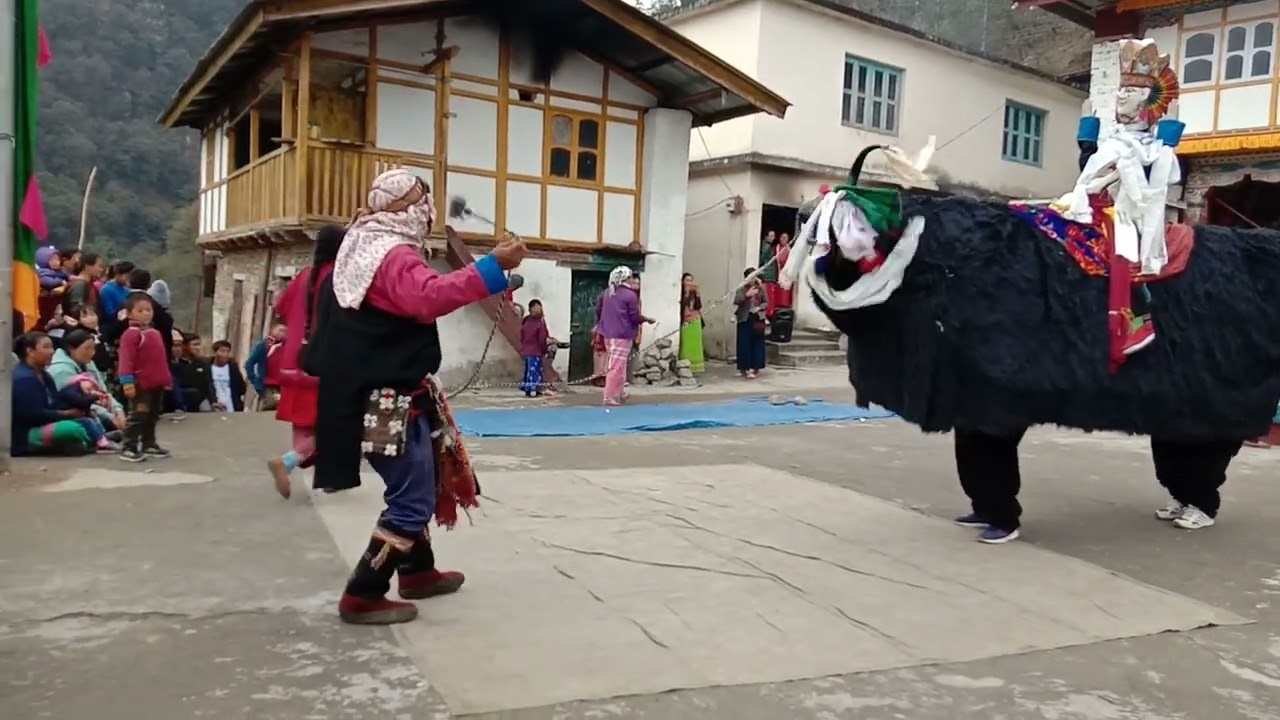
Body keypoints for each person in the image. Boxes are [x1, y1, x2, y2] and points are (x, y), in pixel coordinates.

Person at [307, 168, 523, 625]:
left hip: (378, 390)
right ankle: (364, 591)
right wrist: (493, 266)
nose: (428, 212)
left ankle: (418, 571)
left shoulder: (360, 245)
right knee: (412, 495)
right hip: (391, 398)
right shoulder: (393, 256)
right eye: (423, 202)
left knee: (421, 479)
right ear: (409, 208)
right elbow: (428, 296)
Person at [267, 223, 343, 499]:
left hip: (294, 361)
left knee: (303, 423)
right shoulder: (339, 278)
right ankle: (289, 461)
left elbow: (280, 309)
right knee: (339, 425)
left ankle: (296, 465)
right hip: (326, 363)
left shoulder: (304, 276)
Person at [10, 331, 112, 456]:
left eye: (52, 347)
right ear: (29, 351)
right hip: (25, 433)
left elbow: (55, 401)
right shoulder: (24, 378)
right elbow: (31, 415)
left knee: (85, 419)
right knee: (72, 429)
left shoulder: (44, 375)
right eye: (46, 347)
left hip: (46, 422)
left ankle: (95, 438)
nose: (51, 351)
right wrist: (66, 414)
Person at [117, 293, 172, 462]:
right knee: (138, 415)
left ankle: (149, 443)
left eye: (148, 310)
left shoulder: (154, 333)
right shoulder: (131, 334)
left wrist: (167, 380)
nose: (146, 313)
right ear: (130, 313)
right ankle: (129, 446)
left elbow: (161, 360)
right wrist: (127, 381)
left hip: (156, 382)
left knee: (153, 415)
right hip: (140, 384)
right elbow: (126, 360)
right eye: (140, 310)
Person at [48, 328, 127, 435]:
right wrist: (110, 417)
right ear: (71, 349)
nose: (92, 353)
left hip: (96, 409)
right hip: (70, 411)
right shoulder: (60, 370)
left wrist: (118, 411)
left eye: (93, 348)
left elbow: (103, 391)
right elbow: (74, 401)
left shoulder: (88, 363)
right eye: (87, 349)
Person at [595, 266, 652, 406]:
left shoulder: (607, 293)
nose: (633, 280)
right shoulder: (630, 295)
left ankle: (620, 392)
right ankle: (608, 396)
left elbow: (598, 310)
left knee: (619, 365)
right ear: (625, 278)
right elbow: (634, 316)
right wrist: (647, 319)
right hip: (621, 335)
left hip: (608, 333)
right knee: (616, 366)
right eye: (631, 277)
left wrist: (601, 323)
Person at [518, 299, 558, 398]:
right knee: (535, 371)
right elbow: (542, 338)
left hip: (527, 350)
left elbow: (522, 336)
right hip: (535, 351)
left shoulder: (526, 321)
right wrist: (544, 349)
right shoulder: (539, 323)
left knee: (530, 371)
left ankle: (529, 390)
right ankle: (535, 390)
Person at [734, 268, 768, 379]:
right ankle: (743, 368)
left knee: (757, 343)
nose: (753, 279)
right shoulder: (741, 288)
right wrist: (747, 295)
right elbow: (736, 301)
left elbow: (766, 302)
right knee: (743, 343)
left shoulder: (761, 287)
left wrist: (759, 308)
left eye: (754, 276)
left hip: (757, 318)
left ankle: (755, 368)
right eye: (750, 277)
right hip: (744, 318)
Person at [245, 324, 286, 410]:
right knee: (271, 403)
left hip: (284, 384)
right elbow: (249, 363)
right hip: (267, 383)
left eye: (284, 331)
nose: (282, 333)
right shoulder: (264, 345)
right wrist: (254, 380)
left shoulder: (287, 346)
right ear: (272, 331)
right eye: (280, 330)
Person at [173, 334, 213, 411]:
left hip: (201, 401)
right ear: (185, 346)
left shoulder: (202, 363)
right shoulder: (176, 364)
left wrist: (213, 401)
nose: (198, 348)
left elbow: (209, 383)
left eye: (199, 344)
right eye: (194, 345)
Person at [209, 340, 247, 413]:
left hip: (231, 405)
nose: (225, 354)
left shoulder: (233, 368)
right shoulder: (208, 368)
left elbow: (241, 387)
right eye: (222, 351)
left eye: (227, 351)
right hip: (215, 405)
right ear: (214, 353)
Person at [97, 261, 134, 337]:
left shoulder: (126, 289)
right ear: (117, 274)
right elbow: (109, 313)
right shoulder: (107, 290)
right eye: (126, 276)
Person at [678, 273, 705, 374]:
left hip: (695, 320)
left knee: (696, 344)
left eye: (691, 280)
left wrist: (697, 294)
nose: (689, 283)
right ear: (682, 281)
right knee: (685, 343)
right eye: (687, 280)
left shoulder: (694, 293)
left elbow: (698, 306)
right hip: (685, 321)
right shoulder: (680, 293)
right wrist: (686, 293)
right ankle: (684, 365)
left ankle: (696, 368)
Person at [757, 231, 779, 317]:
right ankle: (767, 314)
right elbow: (762, 259)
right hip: (768, 275)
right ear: (766, 237)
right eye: (771, 236)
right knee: (768, 296)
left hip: (767, 275)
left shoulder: (765, 245)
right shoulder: (767, 246)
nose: (773, 238)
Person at [773, 233, 794, 310]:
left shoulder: (790, 250)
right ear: (779, 238)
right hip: (776, 273)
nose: (783, 239)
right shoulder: (775, 248)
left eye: (786, 238)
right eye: (782, 237)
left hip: (785, 274)